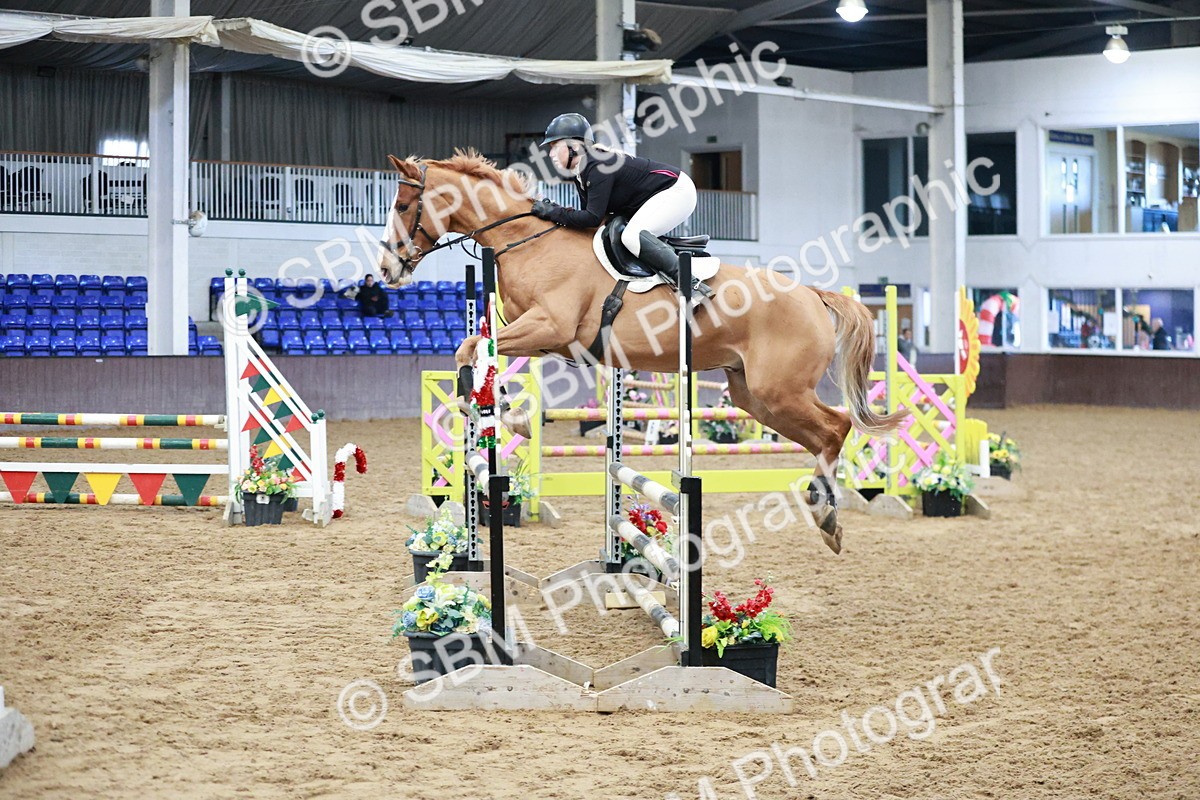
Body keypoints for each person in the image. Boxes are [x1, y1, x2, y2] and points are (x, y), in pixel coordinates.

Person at [529, 113, 712, 298]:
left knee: (632, 236)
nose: (550, 154)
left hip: (676, 191)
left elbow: (592, 218)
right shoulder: (582, 171)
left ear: (574, 146)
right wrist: (555, 211)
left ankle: (691, 284)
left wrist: (553, 212)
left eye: (555, 146)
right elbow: (592, 218)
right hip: (655, 196)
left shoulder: (597, 166)